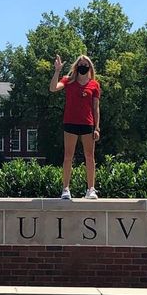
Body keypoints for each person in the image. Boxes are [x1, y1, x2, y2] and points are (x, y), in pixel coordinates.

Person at [50, 54, 100, 200]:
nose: (83, 67)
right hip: (70, 122)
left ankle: (91, 189)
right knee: (68, 157)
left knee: (90, 157)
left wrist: (97, 128)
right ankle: (65, 188)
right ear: (76, 67)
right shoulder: (68, 80)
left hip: (87, 123)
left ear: (90, 67)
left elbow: (96, 107)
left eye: (86, 65)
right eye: (80, 64)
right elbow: (53, 88)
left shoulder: (94, 84)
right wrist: (57, 71)